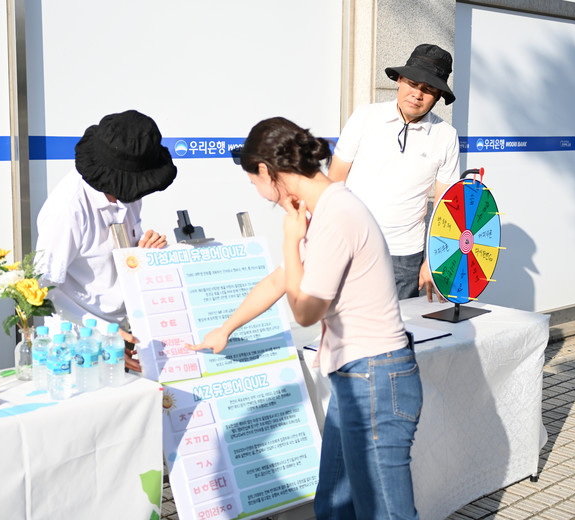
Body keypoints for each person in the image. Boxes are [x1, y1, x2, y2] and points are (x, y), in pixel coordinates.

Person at [189, 117, 422, 519]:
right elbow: (279, 280)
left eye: (253, 181)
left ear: (267, 171)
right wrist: (225, 330)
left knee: (386, 513)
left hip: (375, 377)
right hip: (359, 375)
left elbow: (305, 311)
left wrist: (290, 239)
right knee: (333, 504)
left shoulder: (335, 216)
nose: (257, 191)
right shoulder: (324, 209)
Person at [35, 109, 177, 371]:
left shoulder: (128, 194)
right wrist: (104, 335)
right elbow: (43, 291)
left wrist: (142, 255)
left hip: (124, 329)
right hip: (77, 341)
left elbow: (116, 256)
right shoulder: (67, 210)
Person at [328, 43, 460, 301]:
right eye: (412, 83)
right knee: (345, 321)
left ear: (438, 96)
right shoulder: (365, 117)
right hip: (352, 243)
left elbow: (445, 206)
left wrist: (434, 260)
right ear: (399, 80)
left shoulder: (446, 136)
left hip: (405, 255)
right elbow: (334, 181)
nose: (417, 94)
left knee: (400, 324)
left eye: (428, 89)